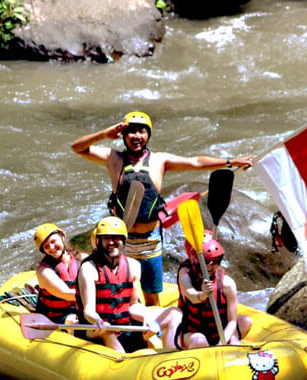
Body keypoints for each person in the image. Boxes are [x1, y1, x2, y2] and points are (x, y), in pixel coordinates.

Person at [71, 111, 253, 307]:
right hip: (121, 241)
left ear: (148, 135)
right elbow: (78, 147)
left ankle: (152, 329)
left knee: (151, 296)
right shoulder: (112, 158)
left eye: (142, 131)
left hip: (151, 241)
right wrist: (106, 133)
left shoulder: (160, 160)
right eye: (131, 132)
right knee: (120, 292)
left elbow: (196, 162)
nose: (137, 136)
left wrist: (230, 162)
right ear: (123, 135)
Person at [76, 216, 178, 353]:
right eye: (106, 238)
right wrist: (98, 321)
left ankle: (171, 356)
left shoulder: (134, 266)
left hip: (125, 323)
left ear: (124, 240)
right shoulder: (89, 269)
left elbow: (133, 305)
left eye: (116, 238)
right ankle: (123, 362)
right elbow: (88, 311)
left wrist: (146, 318)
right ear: (98, 241)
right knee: (106, 331)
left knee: (175, 314)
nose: (111, 242)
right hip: (96, 327)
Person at [175, 231, 252, 349]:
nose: (211, 265)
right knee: (199, 341)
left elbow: (232, 322)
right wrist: (203, 294)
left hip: (218, 331)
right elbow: (191, 294)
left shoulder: (227, 283)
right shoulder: (185, 274)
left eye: (216, 261)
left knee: (238, 335)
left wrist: (221, 344)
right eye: (206, 261)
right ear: (197, 259)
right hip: (193, 330)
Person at [33, 223, 86, 327]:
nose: (51, 247)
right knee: (75, 321)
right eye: (46, 246)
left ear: (62, 235)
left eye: (53, 241)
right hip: (57, 315)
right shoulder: (44, 271)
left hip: (81, 308)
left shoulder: (82, 258)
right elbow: (65, 293)